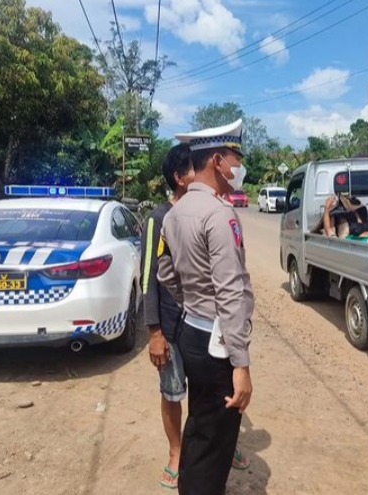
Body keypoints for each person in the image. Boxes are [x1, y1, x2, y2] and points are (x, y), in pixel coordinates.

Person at [141, 144, 248, 490]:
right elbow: (230, 292)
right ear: (217, 162)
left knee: (201, 425)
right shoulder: (219, 214)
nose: (239, 170)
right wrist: (242, 365)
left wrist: (190, 301)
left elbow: (166, 272)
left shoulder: (175, 213)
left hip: (191, 333)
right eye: (236, 162)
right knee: (214, 440)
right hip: (218, 344)